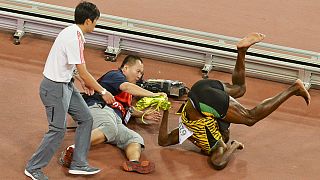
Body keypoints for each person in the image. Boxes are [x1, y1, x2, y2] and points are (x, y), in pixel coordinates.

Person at [157, 33, 311, 170]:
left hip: (203, 101)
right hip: (199, 89)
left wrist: (233, 145)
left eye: (226, 137)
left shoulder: (214, 145)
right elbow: (163, 140)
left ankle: (294, 89)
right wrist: (165, 111)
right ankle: (242, 52)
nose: (226, 138)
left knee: (250, 118)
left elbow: (218, 163)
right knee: (239, 89)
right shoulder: (187, 133)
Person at [24, 2, 115, 180]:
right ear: (88, 21)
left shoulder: (72, 32)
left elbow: (71, 66)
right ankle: (33, 167)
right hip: (54, 88)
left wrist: (81, 80)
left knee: (86, 119)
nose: (96, 25)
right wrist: (103, 91)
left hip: (66, 85)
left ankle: (79, 163)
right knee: (58, 130)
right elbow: (84, 71)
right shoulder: (75, 38)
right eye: (96, 21)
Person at [59, 55, 167, 174]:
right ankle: (72, 151)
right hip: (98, 107)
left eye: (141, 73)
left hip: (116, 119)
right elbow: (127, 87)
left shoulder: (128, 95)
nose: (139, 76)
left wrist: (143, 115)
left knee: (134, 138)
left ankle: (134, 162)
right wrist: (153, 95)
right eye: (138, 71)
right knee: (109, 128)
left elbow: (127, 109)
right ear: (125, 68)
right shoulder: (116, 75)